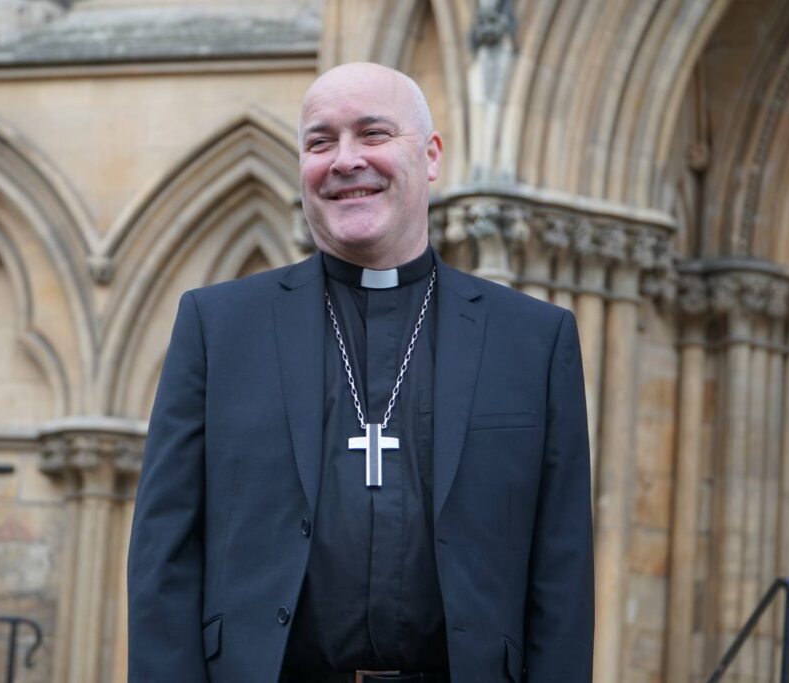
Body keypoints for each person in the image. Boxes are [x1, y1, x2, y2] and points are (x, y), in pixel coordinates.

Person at [127, 62, 593, 683]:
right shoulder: (218, 327)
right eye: (320, 142)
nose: (345, 160)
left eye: (372, 134)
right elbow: (164, 553)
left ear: (430, 157)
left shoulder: (533, 340)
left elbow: (561, 568)